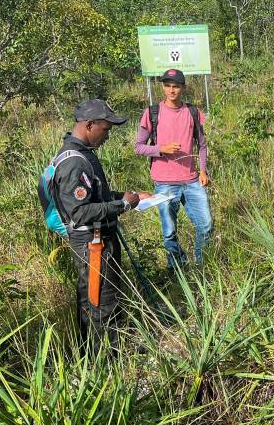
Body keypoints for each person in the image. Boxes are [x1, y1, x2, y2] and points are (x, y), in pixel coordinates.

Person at [52, 99, 146, 355]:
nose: (108, 135)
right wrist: (122, 206)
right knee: (101, 303)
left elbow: (95, 196)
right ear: (89, 125)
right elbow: (80, 212)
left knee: (96, 300)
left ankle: (93, 358)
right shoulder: (74, 162)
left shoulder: (85, 155)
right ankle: (104, 362)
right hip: (93, 246)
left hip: (100, 241)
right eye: (106, 129)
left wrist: (125, 198)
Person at [135, 69, 212, 271]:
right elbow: (139, 147)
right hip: (165, 183)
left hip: (192, 180)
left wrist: (203, 170)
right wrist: (161, 148)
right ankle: (178, 268)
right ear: (162, 87)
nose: (171, 90)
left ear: (183, 88)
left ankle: (202, 266)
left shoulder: (192, 112)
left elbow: (202, 145)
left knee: (205, 225)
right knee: (169, 232)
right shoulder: (152, 113)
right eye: (167, 85)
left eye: (176, 86)